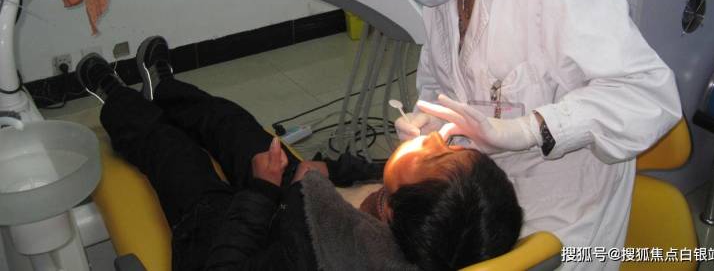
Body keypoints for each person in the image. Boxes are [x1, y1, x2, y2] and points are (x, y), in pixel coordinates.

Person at [334, 0, 682, 270]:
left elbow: (648, 96)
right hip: (481, 193)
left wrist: (529, 129)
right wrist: (433, 120)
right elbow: (441, 81)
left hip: (567, 202)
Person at [79, 35, 522, 271]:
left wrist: (260, 191)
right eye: (451, 145)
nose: (436, 139)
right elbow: (378, 173)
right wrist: (330, 170)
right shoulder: (428, 226)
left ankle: (115, 98)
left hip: (227, 233)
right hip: (295, 199)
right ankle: (163, 88)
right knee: (232, 124)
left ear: (389, 208)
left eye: (434, 154)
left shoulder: (317, 256)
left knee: (174, 153)